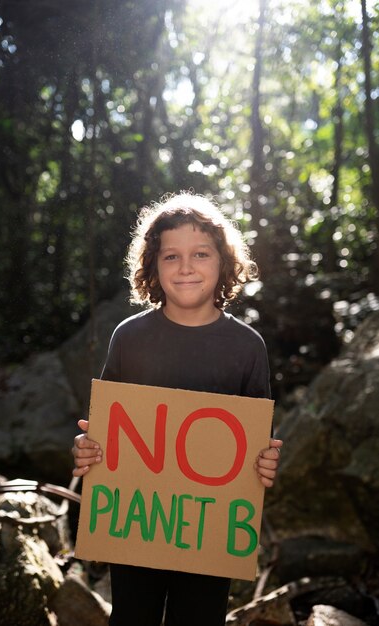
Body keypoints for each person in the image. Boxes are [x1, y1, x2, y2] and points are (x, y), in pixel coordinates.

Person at [72, 191, 282, 626]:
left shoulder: (248, 348)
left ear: (224, 262)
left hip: (211, 531)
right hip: (137, 522)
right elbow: (107, 430)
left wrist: (265, 463)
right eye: (171, 256)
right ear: (153, 266)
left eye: (201, 254)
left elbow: (256, 442)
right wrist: (87, 449)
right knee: (132, 615)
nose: (186, 267)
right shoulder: (129, 338)